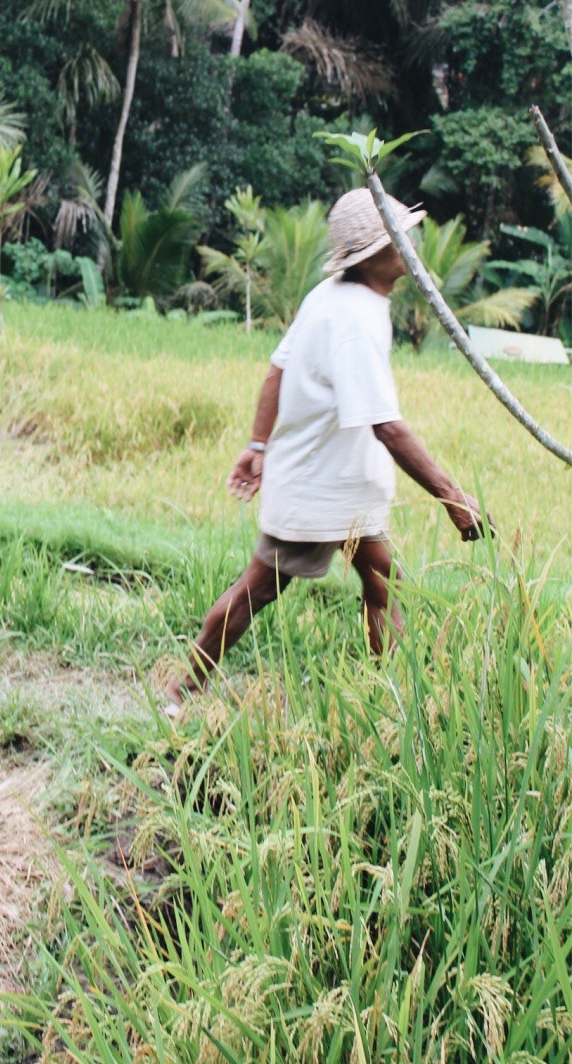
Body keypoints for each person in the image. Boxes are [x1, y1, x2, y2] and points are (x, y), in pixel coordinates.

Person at [166, 187, 491, 707]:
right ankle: (180, 692)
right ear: (377, 251)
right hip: (318, 488)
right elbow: (387, 426)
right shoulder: (355, 318)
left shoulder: (336, 297)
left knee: (386, 585)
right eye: (399, 236)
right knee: (258, 589)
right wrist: (454, 497)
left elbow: (279, 366)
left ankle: (393, 705)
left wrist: (257, 443)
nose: (410, 242)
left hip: (343, 487)